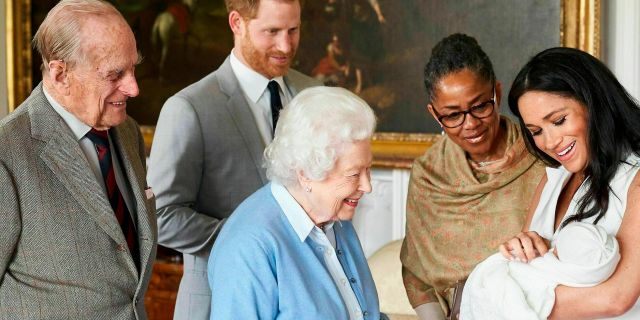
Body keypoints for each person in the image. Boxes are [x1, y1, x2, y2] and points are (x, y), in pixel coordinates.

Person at [146, 0, 320, 318]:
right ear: (236, 23)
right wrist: (253, 240)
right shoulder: (189, 108)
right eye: (272, 31)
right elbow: (159, 216)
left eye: (293, 30)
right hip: (218, 301)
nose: (286, 45)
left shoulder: (314, 92)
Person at [0, 0, 156, 319]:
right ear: (60, 74)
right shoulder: (7, 153)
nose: (133, 88)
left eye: (133, 68)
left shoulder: (127, 133)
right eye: (115, 74)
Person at [399, 33, 545, 320]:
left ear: (497, 94)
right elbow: (417, 273)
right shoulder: (428, 175)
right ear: (434, 114)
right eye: (452, 115)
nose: (470, 125)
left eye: (480, 106)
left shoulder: (541, 156)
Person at [207, 86, 384, 320]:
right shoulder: (249, 246)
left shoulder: (335, 217)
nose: (367, 186)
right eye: (353, 174)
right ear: (306, 173)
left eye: (368, 170)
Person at [501, 47, 640, 319]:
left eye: (559, 120)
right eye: (536, 132)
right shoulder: (553, 178)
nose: (551, 142)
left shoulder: (635, 178)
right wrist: (522, 247)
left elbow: (617, 298)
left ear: (594, 102)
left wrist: (507, 298)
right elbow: (524, 271)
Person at [462, 222, 620, 319]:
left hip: (502, 283)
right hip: (503, 270)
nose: (552, 251)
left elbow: (515, 309)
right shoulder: (551, 179)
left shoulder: (547, 284)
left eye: (556, 251)